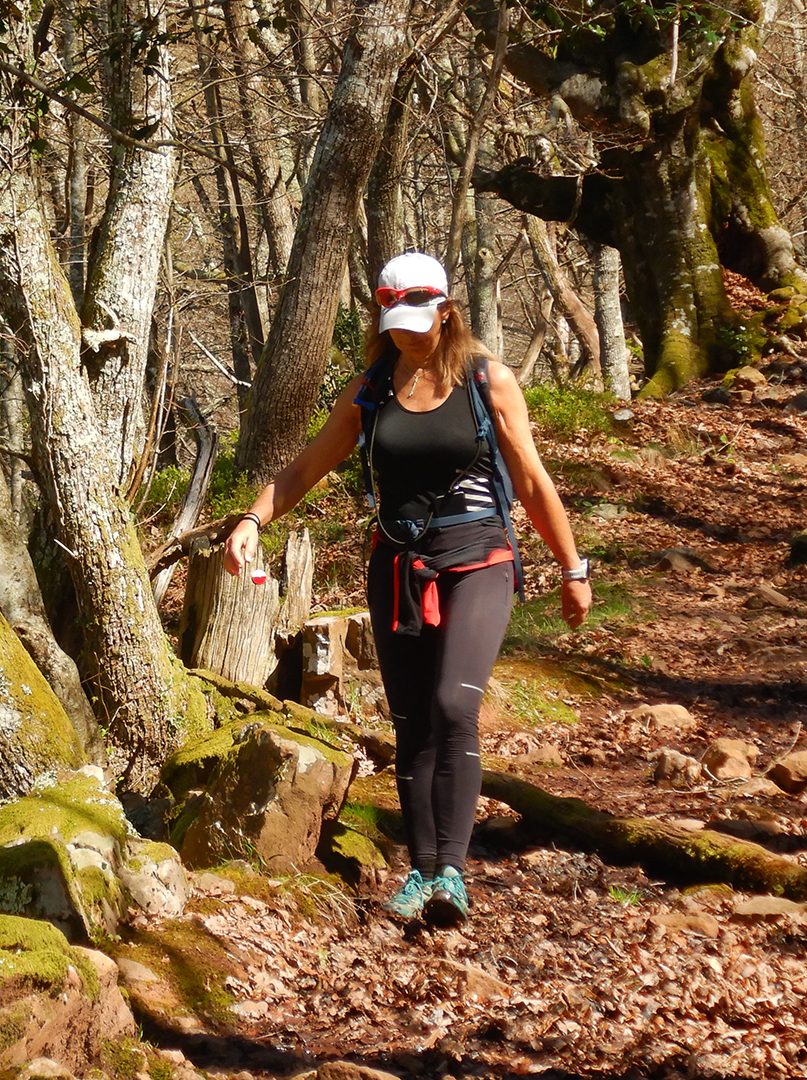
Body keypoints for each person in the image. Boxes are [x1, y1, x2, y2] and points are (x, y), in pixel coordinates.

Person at [223, 252, 592, 926]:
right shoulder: (372, 389)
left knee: (455, 706)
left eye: (419, 320)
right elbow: (307, 465)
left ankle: (452, 870)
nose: (408, 332)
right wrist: (252, 518)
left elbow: (533, 482)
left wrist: (572, 568)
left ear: (446, 311)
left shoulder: (487, 380)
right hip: (396, 565)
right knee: (413, 724)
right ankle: (422, 874)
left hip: (479, 556)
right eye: (395, 321)